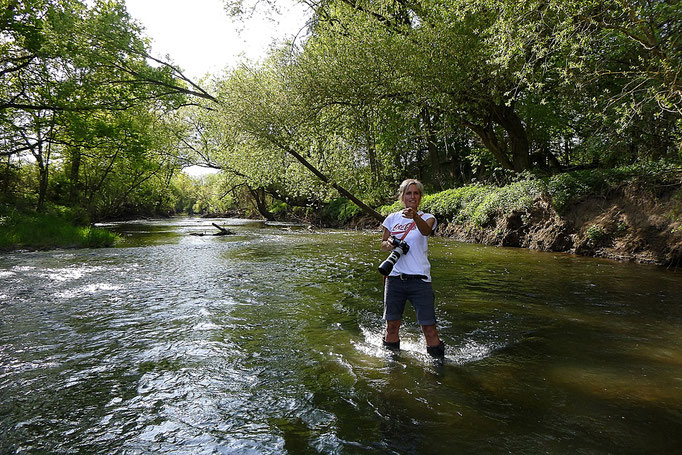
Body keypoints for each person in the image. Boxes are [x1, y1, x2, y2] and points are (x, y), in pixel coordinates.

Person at [380, 179, 445, 358]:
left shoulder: (428, 217)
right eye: (408, 193)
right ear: (402, 196)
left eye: (416, 193)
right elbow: (383, 245)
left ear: (420, 197)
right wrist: (391, 243)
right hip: (394, 279)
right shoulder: (391, 218)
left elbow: (425, 232)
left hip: (420, 280)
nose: (412, 197)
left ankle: (438, 368)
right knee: (391, 326)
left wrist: (415, 216)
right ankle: (392, 366)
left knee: (429, 328)